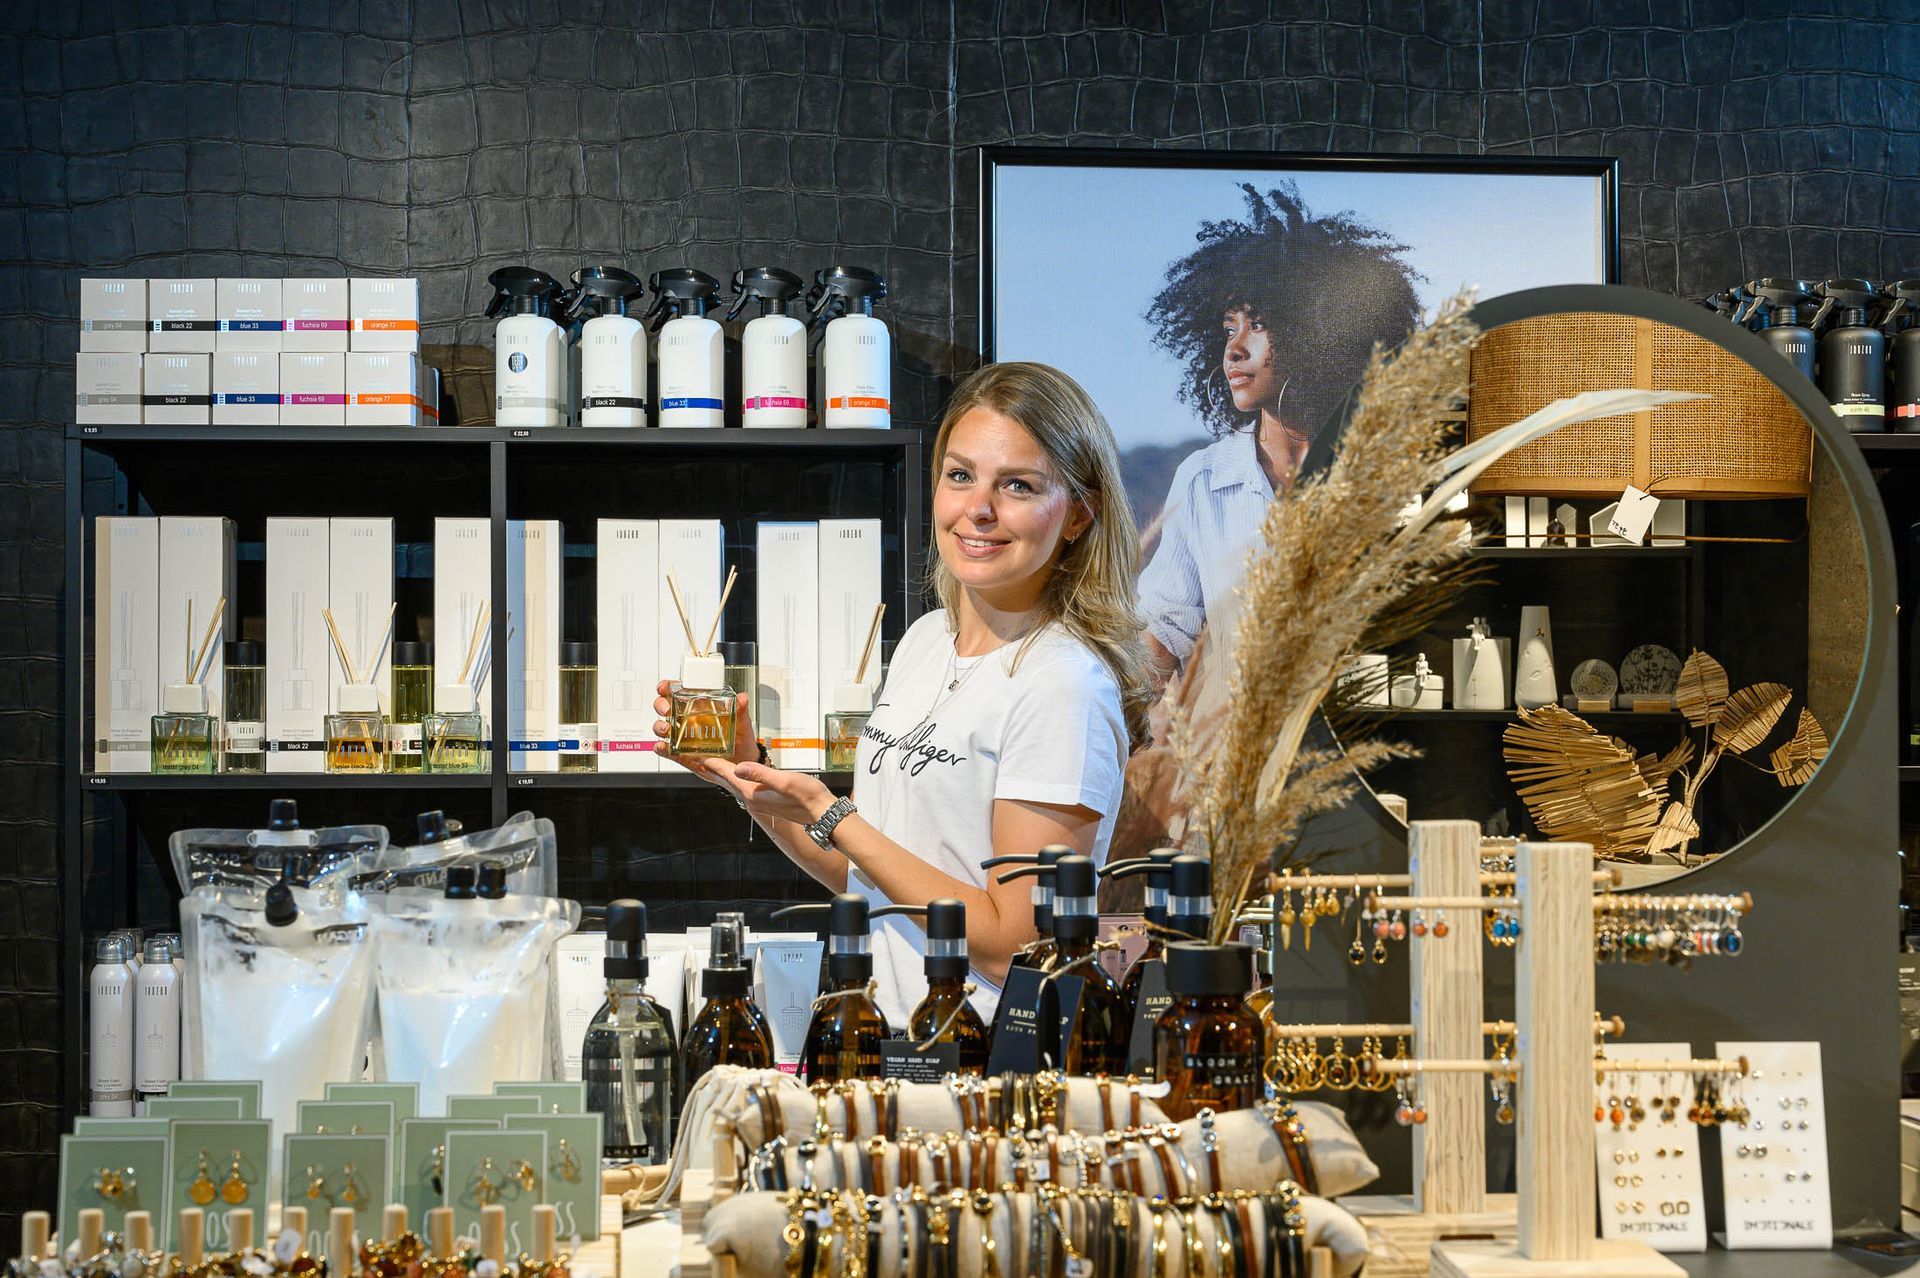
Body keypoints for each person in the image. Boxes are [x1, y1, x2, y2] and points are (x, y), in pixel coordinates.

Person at [655, 362, 1154, 1026]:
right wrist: (753, 781)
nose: (978, 508)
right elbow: (866, 877)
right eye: (960, 474)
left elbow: (1019, 948)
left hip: (986, 1068)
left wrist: (834, 815)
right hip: (893, 1043)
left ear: (1078, 515)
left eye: (1017, 485)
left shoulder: (1060, 684)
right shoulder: (926, 641)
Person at [1137, 181, 1422, 691]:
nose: (1235, 350)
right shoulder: (1203, 480)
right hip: (1233, 760)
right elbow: (1160, 633)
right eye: (1228, 329)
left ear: (1320, 331)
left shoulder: (1386, 473)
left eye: (1260, 325)